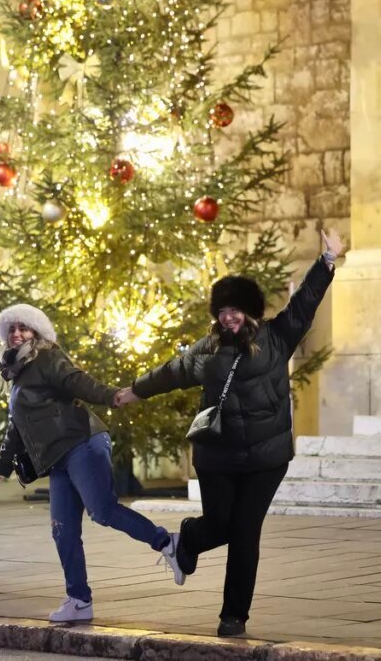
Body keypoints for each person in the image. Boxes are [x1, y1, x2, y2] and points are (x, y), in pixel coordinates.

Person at [116, 228, 344, 638]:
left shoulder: (277, 337)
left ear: (249, 311)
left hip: (265, 459)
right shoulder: (207, 350)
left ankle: (233, 615)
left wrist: (327, 261)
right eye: (222, 311)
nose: (228, 317)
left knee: (244, 534)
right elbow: (173, 371)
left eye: (235, 309)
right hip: (218, 456)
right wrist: (136, 390)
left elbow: (305, 302)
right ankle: (189, 538)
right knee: (220, 524)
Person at [0, 304, 182, 624]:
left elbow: (77, 381)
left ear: (36, 331)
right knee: (62, 530)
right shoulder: (17, 370)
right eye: (11, 329)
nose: (17, 333)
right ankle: (79, 600)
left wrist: (114, 396)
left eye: (23, 327)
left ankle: (167, 542)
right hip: (58, 458)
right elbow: (16, 426)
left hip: (82, 443)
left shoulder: (47, 357)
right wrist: (0, 464)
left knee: (102, 511)